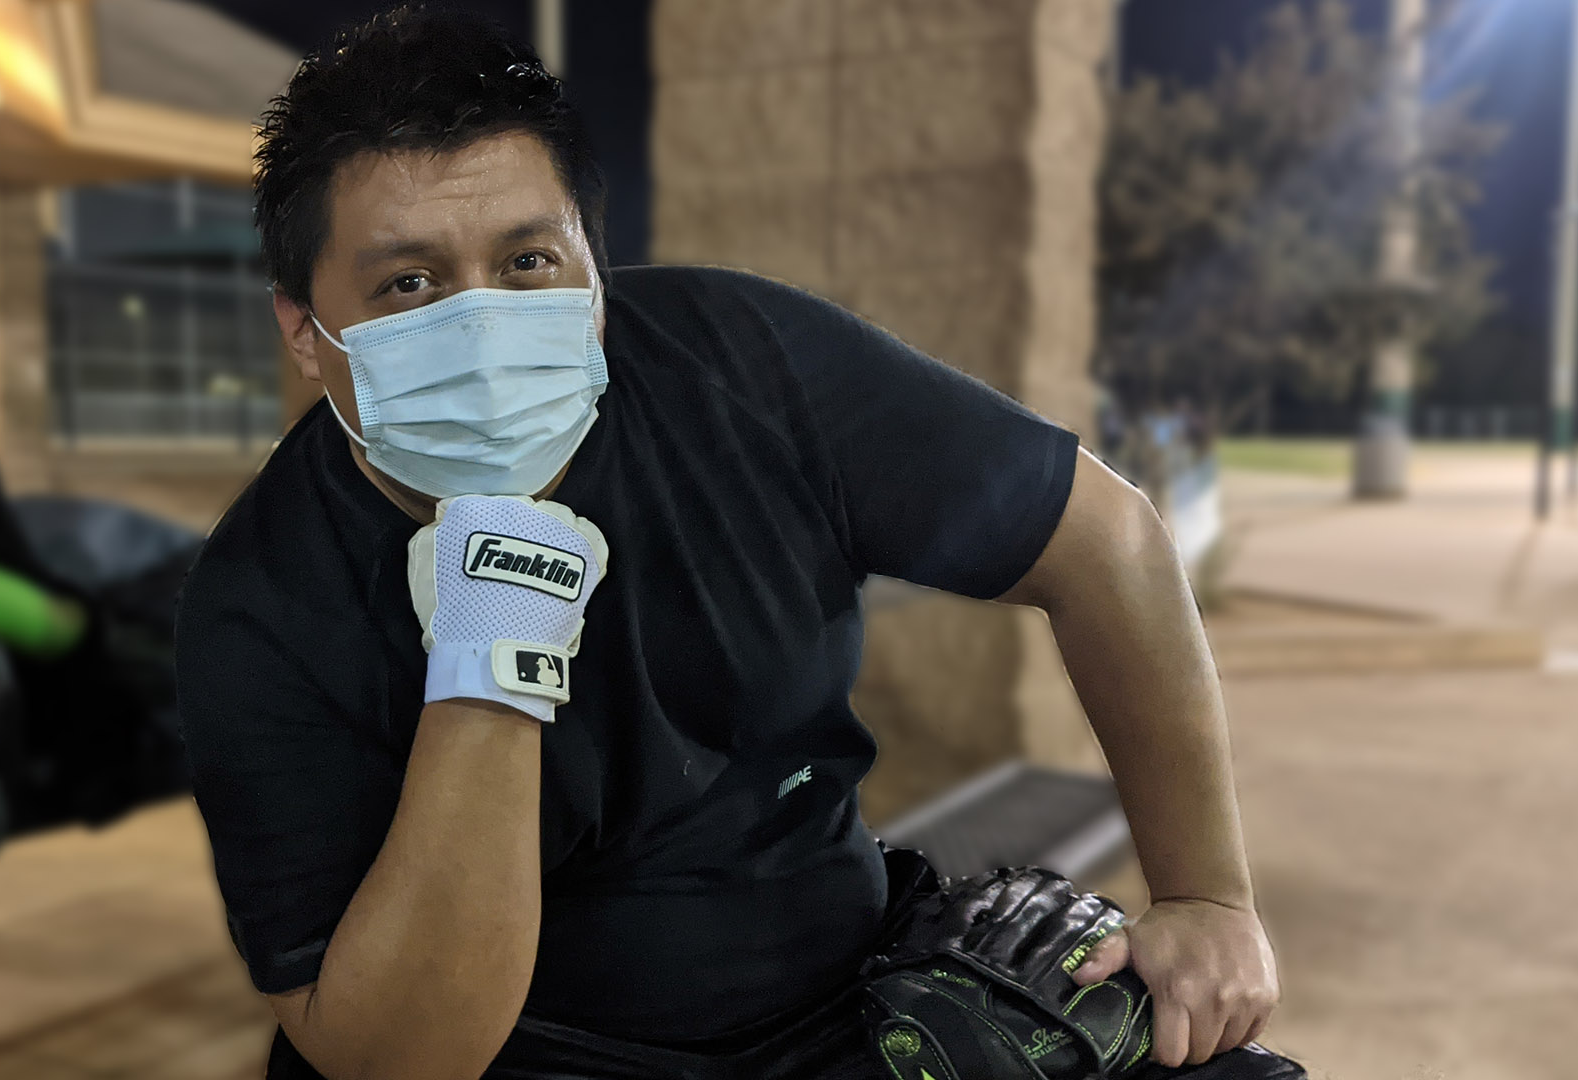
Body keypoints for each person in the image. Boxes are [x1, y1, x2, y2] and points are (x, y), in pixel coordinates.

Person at [175, 9, 1284, 1080]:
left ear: (594, 273)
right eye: (408, 284)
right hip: (532, 1051)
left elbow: (1107, 542)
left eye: (527, 263)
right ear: (303, 332)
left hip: (854, 992)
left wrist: (1206, 898)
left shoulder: (740, 362)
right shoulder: (257, 607)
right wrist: (492, 644)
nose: (484, 322)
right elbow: (400, 1062)